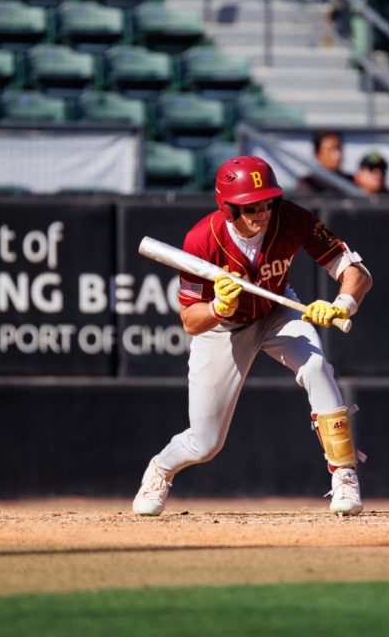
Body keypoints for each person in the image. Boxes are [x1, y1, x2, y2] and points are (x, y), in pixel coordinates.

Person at [132, 156, 373, 517]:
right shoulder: (201, 239)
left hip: (276, 309)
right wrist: (218, 308)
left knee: (316, 366)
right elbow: (190, 321)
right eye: (250, 207)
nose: (262, 213)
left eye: (268, 202)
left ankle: (344, 473)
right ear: (229, 208)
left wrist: (342, 305)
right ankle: (160, 470)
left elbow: (356, 273)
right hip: (224, 328)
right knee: (205, 443)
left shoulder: (290, 217)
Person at [294, 129, 355, 195]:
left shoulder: (351, 181)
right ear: (318, 154)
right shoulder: (309, 183)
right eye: (331, 149)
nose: (338, 154)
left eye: (339, 148)